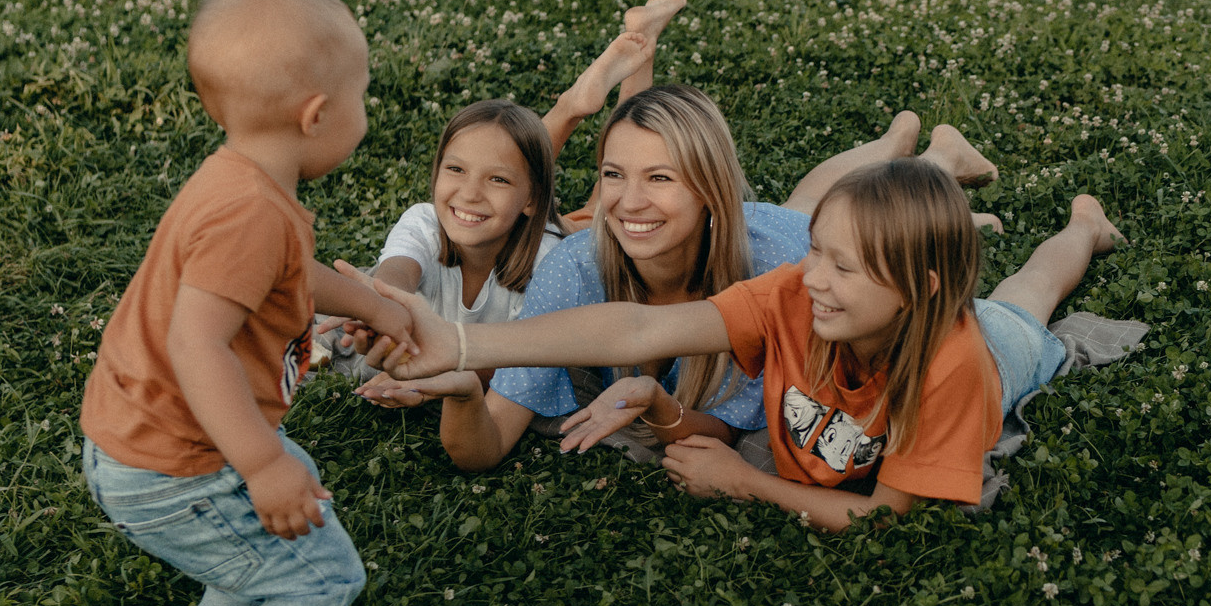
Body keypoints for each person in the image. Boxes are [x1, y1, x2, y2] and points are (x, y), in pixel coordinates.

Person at [78, 0, 422, 606]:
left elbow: (293, 276)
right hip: (175, 462)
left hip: (146, 443)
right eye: (363, 95)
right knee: (316, 570)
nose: (366, 111)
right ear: (317, 115)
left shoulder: (241, 181)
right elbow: (195, 345)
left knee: (265, 529)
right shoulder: (249, 215)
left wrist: (375, 303)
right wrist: (263, 464)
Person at [357, 159, 1124, 530]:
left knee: (1026, 301)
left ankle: (1084, 227)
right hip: (920, 317)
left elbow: (886, 517)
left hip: (989, 345)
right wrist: (462, 342)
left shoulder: (953, 366)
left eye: (843, 266)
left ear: (919, 285)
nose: (812, 276)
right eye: (815, 249)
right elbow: (639, 327)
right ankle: (1075, 227)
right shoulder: (795, 292)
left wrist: (746, 481)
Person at [353, 87, 1002, 473]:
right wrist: (465, 386)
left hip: (775, 238)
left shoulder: (781, 276)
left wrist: (661, 412)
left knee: (807, 212)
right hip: (733, 235)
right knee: (803, 202)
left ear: (708, 189)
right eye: (613, 175)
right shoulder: (576, 268)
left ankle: (933, 157)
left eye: (659, 178)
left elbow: (723, 428)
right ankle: (905, 137)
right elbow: (486, 446)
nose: (628, 201)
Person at [317, 0, 688, 380]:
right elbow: (394, 274)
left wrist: (432, 382)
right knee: (527, 172)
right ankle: (592, 87)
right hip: (523, 221)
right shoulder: (426, 223)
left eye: (494, 181)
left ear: (533, 203)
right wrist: (379, 302)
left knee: (616, 193)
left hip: (561, 243)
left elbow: (516, 359)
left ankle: (608, 73)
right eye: (455, 169)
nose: (470, 193)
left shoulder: (552, 261)